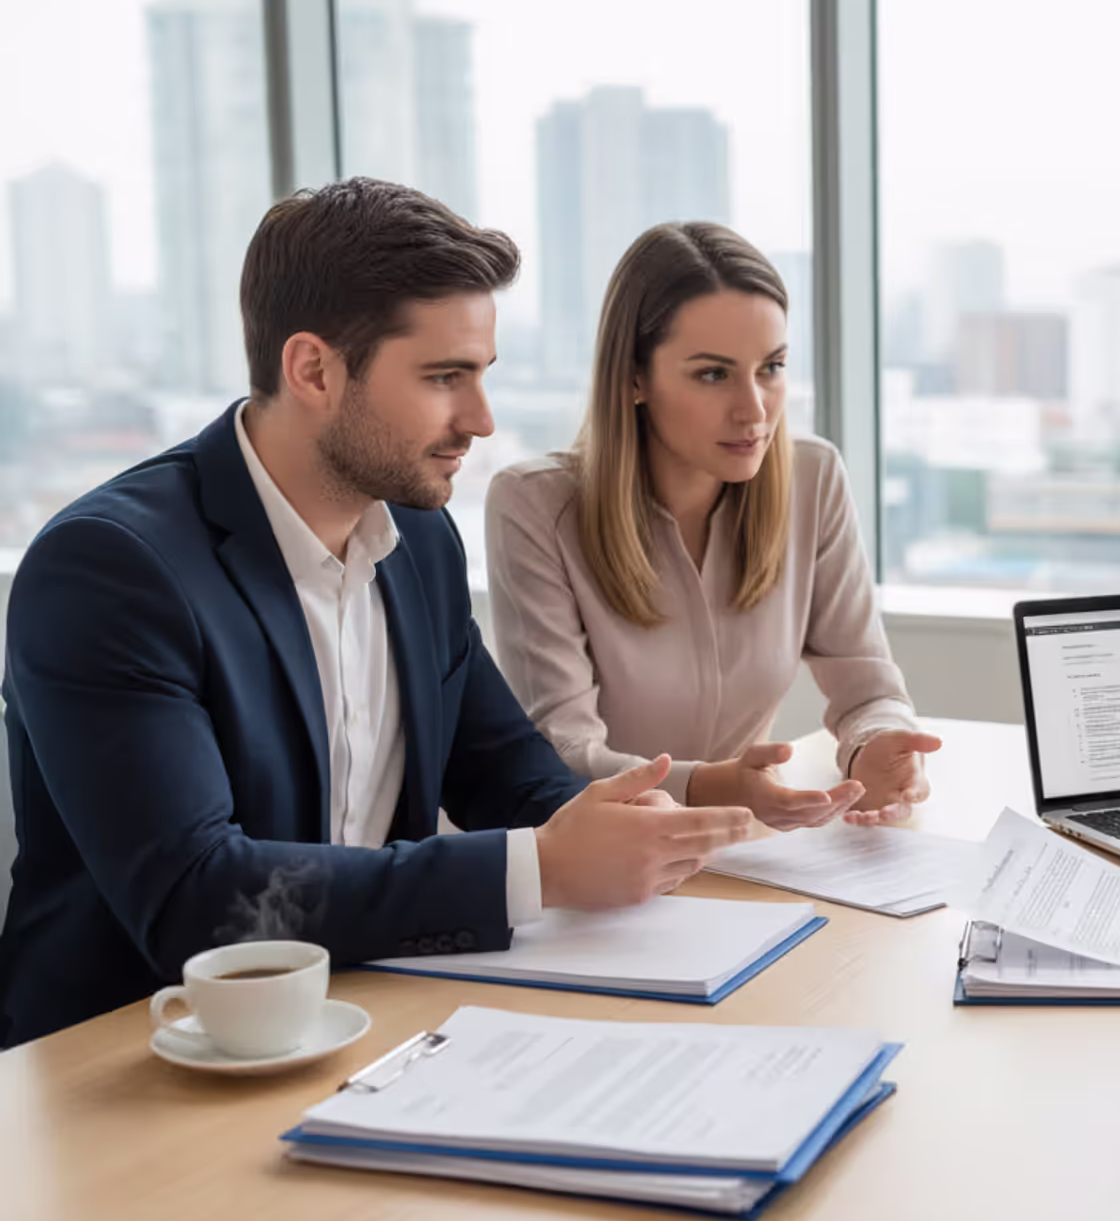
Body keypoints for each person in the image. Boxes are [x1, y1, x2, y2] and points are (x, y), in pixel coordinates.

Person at [0, 179, 753, 1047]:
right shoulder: (111, 569)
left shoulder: (420, 541)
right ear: (313, 369)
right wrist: (538, 868)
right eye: (444, 377)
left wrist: (623, 823)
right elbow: (196, 899)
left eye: (481, 375)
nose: (479, 419)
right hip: (132, 1057)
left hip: (365, 1025)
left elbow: (505, 773)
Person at [485, 222, 938, 831]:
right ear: (635, 378)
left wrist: (879, 742)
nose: (754, 410)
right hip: (601, 858)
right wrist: (710, 785)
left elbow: (866, 687)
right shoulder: (535, 506)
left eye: (771, 367)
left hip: (744, 855)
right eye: (712, 374)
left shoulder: (814, 477)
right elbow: (564, 755)